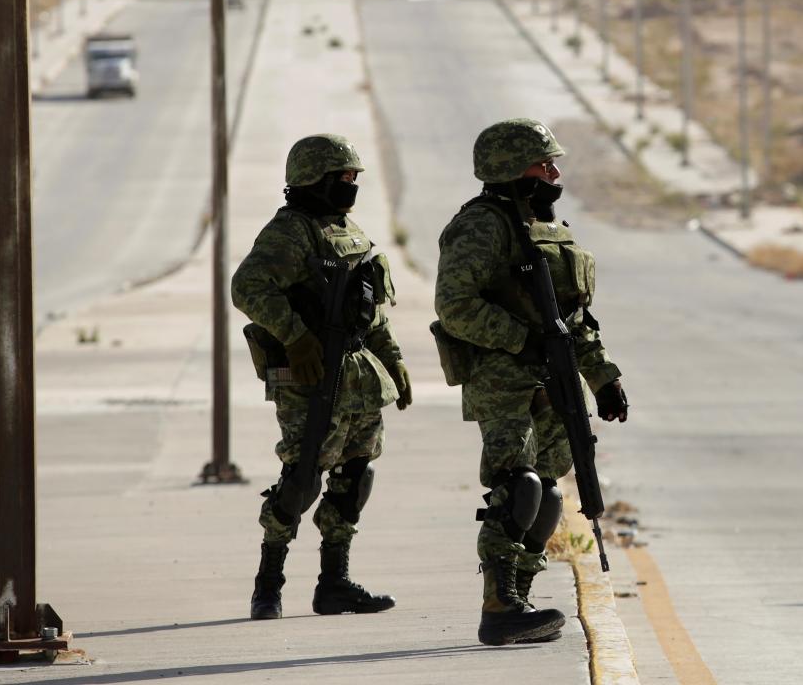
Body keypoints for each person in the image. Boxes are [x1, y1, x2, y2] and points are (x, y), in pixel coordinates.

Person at [433, 118, 629, 647]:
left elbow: (576, 320)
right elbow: (454, 307)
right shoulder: (482, 226)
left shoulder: (548, 229)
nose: (555, 173)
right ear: (509, 170)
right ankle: (498, 604)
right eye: (543, 165)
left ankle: (519, 596)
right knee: (516, 488)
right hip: (503, 381)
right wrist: (520, 339)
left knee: (548, 497)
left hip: (553, 382)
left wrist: (603, 378)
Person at [232, 133, 412, 620]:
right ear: (313, 179)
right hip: (309, 377)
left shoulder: (347, 230)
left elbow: (371, 311)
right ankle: (268, 583)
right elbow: (248, 286)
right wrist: (295, 335)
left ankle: (334, 582)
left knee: (355, 476)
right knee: (301, 479)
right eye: (343, 177)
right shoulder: (290, 232)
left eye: (354, 177)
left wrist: (391, 360)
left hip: (359, 377)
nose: (352, 185)